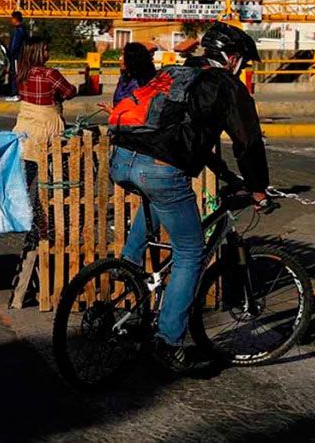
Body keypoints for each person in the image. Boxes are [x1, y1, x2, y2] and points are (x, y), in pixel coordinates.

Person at [110, 22, 270, 370]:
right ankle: (169, 342)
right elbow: (248, 143)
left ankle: (128, 268)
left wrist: (226, 174)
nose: (243, 67)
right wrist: (258, 188)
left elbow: (185, 136)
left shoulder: (177, 73)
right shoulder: (225, 84)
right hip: (158, 168)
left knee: (158, 197)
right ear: (231, 58)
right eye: (243, 61)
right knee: (191, 252)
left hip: (121, 157)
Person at [13, 38, 78, 247]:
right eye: (46, 49)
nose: (48, 52)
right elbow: (69, 92)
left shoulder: (21, 73)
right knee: (48, 181)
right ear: (38, 53)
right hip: (46, 129)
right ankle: (41, 224)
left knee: (26, 177)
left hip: (25, 127)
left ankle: (22, 219)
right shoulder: (50, 74)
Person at [111, 42, 157, 106]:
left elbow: (138, 110)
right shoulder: (125, 77)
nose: (120, 59)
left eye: (123, 55)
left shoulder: (140, 84)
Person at [5, 11, 30, 101]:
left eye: (12, 18)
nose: (11, 20)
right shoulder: (24, 30)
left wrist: (9, 54)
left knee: (15, 74)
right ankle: (19, 92)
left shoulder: (17, 31)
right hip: (22, 56)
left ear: (15, 19)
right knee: (19, 74)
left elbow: (14, 46)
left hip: (16, 57)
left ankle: (16, 93)